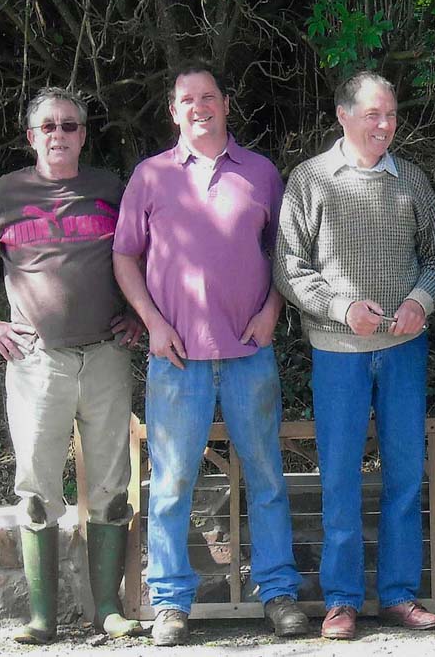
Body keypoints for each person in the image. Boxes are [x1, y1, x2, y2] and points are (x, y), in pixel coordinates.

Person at [0, 87, 143, 644]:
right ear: (32, 137)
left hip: (105, 355)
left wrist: (139, 315)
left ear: (83, 134)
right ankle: (42, 617)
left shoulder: (110, 190)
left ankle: (108, 609)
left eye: (70, 126)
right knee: (36, 489)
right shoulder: (4, 194)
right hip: (36, 361)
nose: (59, 135)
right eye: (48, 126)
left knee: (110, 486)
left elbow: (147, 254)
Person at [112, 63, 307, 646]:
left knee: (268, 478)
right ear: (173, 112)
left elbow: (286, 255)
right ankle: (170, 603)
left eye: (208, 97)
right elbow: (125, 257)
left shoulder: (263, 174)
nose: (198, 107)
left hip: (249, 352)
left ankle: (279, 596)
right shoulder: (149, 177)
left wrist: (273, 312)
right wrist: (152, 323)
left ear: (226, 102)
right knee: (171, 484)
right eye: (185, 100)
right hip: (176, 358)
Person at [274, 71, 435, 640]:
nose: (385, 124)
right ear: (343, 115)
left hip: (403, 348)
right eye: (374, 114)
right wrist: (340, 307)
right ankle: (343, 600)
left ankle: (399, 595)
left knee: (404, 475)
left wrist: (421, 303)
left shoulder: (413, 181)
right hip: (338, 351)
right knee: (341, 479)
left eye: (392, 114)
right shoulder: (309, 180)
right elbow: (289, 267)